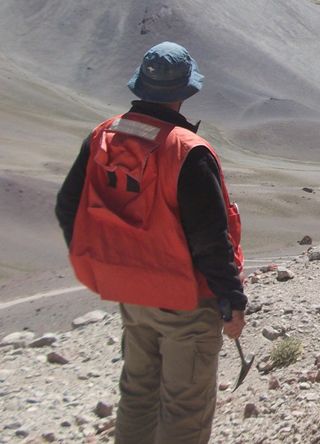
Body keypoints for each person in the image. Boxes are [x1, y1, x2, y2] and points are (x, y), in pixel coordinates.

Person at [55, 41, 247, 444]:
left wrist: (106, 261)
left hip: (131, 295)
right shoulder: (187, 152)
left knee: (138, 393)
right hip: (184, 299)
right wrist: (232, 301)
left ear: (141, 84)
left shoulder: (103, 135)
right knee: (184, 407)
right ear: (186, 90)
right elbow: (211, 240)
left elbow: (68, 205)